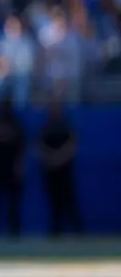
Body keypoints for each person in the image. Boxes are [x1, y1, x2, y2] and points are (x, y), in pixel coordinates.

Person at [0, 97, 26, 238]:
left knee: (13, 205)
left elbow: (22, 147)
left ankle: (15, 232)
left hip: (12, 170)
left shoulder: (17, 125)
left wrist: (19, 167)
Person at [38, 100, 83, 236]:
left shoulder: (67, 127)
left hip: (65, 171)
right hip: (51, 171)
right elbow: (39, 147)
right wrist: (51, 158)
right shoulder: (45, 128)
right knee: (54, 202)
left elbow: (72, 146)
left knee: (69, 202)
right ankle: (56, 232)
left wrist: (59, 158)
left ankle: (78, 231)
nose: (54, 111)